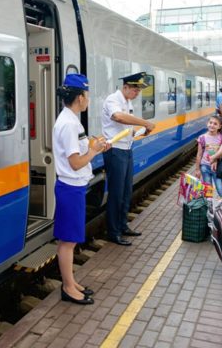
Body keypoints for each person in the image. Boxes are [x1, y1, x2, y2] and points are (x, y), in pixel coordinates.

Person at [53, 74, 107, 305]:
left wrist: (96, 146)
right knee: (68, 241)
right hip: (69, 187)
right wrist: (93, 152)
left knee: (70, 240)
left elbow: (79, 151)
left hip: (73, 187)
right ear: (80, 97)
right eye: (87, 95)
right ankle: (67, 288)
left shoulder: (72, 120)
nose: (89, 99)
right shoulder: (68, 124)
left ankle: (71, 281)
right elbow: (75, 163)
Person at [102, 72, 156, 246]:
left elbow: (126, 128)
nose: (137, 93)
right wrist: (145, 123)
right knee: (116, 193)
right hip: (115, 151)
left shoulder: (127, 102)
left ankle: (123, 225)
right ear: (125, 87)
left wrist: (139, 131)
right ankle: (113, 232)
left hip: (126, 149)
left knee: (126, 191)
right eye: (135, 89)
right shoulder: (113, 100)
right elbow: (118, 117)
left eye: (138, 90)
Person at [194, 114, 222, 197]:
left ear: (219, 126)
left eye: (215, 124)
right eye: (210, 122)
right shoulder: (202, 138)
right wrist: (197, 169)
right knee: (208, 190)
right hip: (205, 167)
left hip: (217, 168)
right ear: (207, 123)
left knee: (221, 189)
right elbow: (199, 154)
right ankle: (209, 203)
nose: (212, 125)